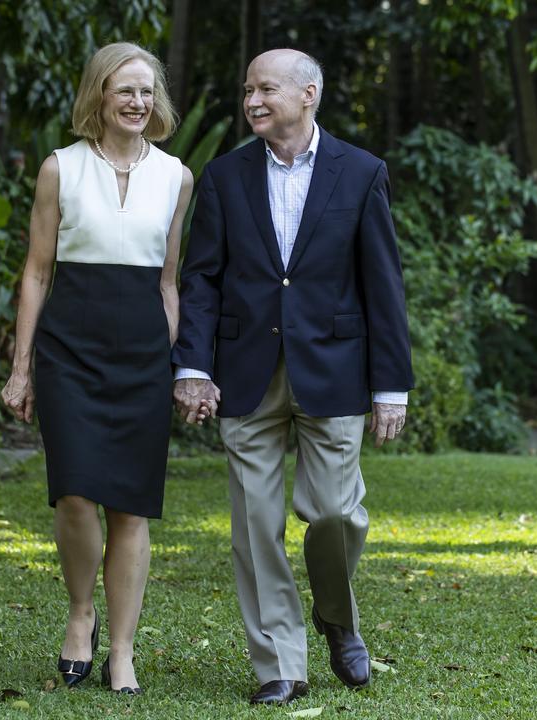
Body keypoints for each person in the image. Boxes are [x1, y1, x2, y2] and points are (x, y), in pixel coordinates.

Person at [172, 49, 413, 705]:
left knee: (336, 511)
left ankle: (335, 616)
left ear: (309, 95)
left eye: (266, 88)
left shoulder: (360, 173)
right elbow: (201, 281)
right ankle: (280, 663)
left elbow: (382, 285)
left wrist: (392, 386)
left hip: (334, 368)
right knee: (255, 522)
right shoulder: (223, 177)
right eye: (247, 88)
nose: (252, 99)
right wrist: (192, 365)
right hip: (243, 372)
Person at [0, 42, 193, 696]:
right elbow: (36, 271)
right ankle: (79, 614)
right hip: (69, 349)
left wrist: (172, 362)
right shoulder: (60, 169)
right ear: (99, 96)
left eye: (147, 91)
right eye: (124, 90)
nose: (137, 102)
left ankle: (122, 650)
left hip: (142, 353)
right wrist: (21, 368)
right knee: (77, 491)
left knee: (131, 507)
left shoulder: (177, 176)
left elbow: (169, 281)